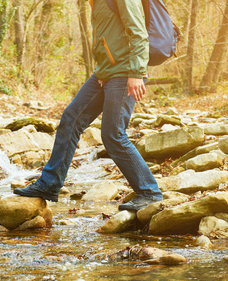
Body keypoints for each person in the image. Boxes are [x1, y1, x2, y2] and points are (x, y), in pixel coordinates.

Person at [14, 0, 162, 211]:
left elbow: (138, 31)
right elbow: (107, 37)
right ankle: (48, 184)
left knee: (113, 134)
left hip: (125, 71)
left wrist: (137, 72)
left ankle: (150, 193)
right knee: (71, 118)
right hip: (106, 72)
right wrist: (102, 68)